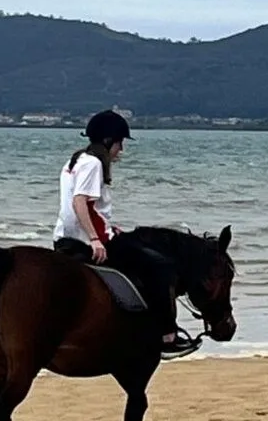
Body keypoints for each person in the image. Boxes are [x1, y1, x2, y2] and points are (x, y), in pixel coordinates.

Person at [52, 109, 202, 360]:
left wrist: (109, 230)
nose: (121, 150)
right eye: (120, 143)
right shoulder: (94, 164)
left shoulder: (76, 160)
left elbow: (80, 208)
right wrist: (96, 240)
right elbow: (80, 204)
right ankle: (167, 337)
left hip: (66, 236)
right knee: (161, 267)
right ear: (109, 141)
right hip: (87, 240)